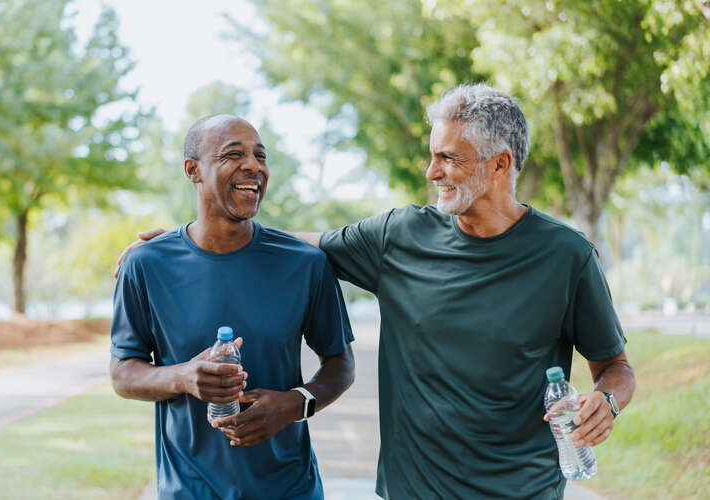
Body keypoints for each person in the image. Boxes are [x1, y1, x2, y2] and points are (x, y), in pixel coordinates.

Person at [116, 85, 636, 499]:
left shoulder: (567, 256)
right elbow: (293, 245)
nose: (432, 172)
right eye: (432, 156)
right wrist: (183, 237)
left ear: (500, 164)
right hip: (412, 491)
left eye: (448, 159)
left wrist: (606, 402)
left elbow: (616, 366)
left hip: (524, 490)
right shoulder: (399, 236)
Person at [110, 114, 355, 500]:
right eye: (233, 154)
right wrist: (184, 377)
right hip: (188, 491)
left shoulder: (306, 264)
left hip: (291, 489)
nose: (254, 166)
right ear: (194, 170)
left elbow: (341, 364)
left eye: (260, 156)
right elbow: (123, 373)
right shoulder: (146, 265)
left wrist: (294, 404)